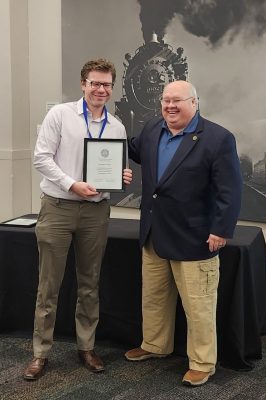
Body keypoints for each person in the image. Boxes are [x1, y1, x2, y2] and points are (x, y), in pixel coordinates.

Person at [125, 81, 242, 386]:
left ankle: (203, 362)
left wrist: (221, 229)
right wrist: (113, 168)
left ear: (194, 102)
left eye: (177, 101)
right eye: (166, 101)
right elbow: (130, 151)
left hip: (195, 237)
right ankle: (154, 345)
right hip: (153, 234)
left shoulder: (217, 138)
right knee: (153, 298)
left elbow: (230, 191)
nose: (170, 106)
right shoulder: (152, 129)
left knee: (199, 306)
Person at [23, 58, 132, 380]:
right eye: (95, 83)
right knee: (49, 286)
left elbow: (115, 169)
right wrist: (72, 184)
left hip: (96, 211)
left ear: (112, 88)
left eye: (107, 84)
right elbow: (41, 158)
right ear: (83, 84)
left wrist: (121, 176)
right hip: (58, 207)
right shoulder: (60, 115)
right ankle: (40, 352)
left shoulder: (117, 126)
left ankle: (86, 347)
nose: (101, 89)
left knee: (90, 283)